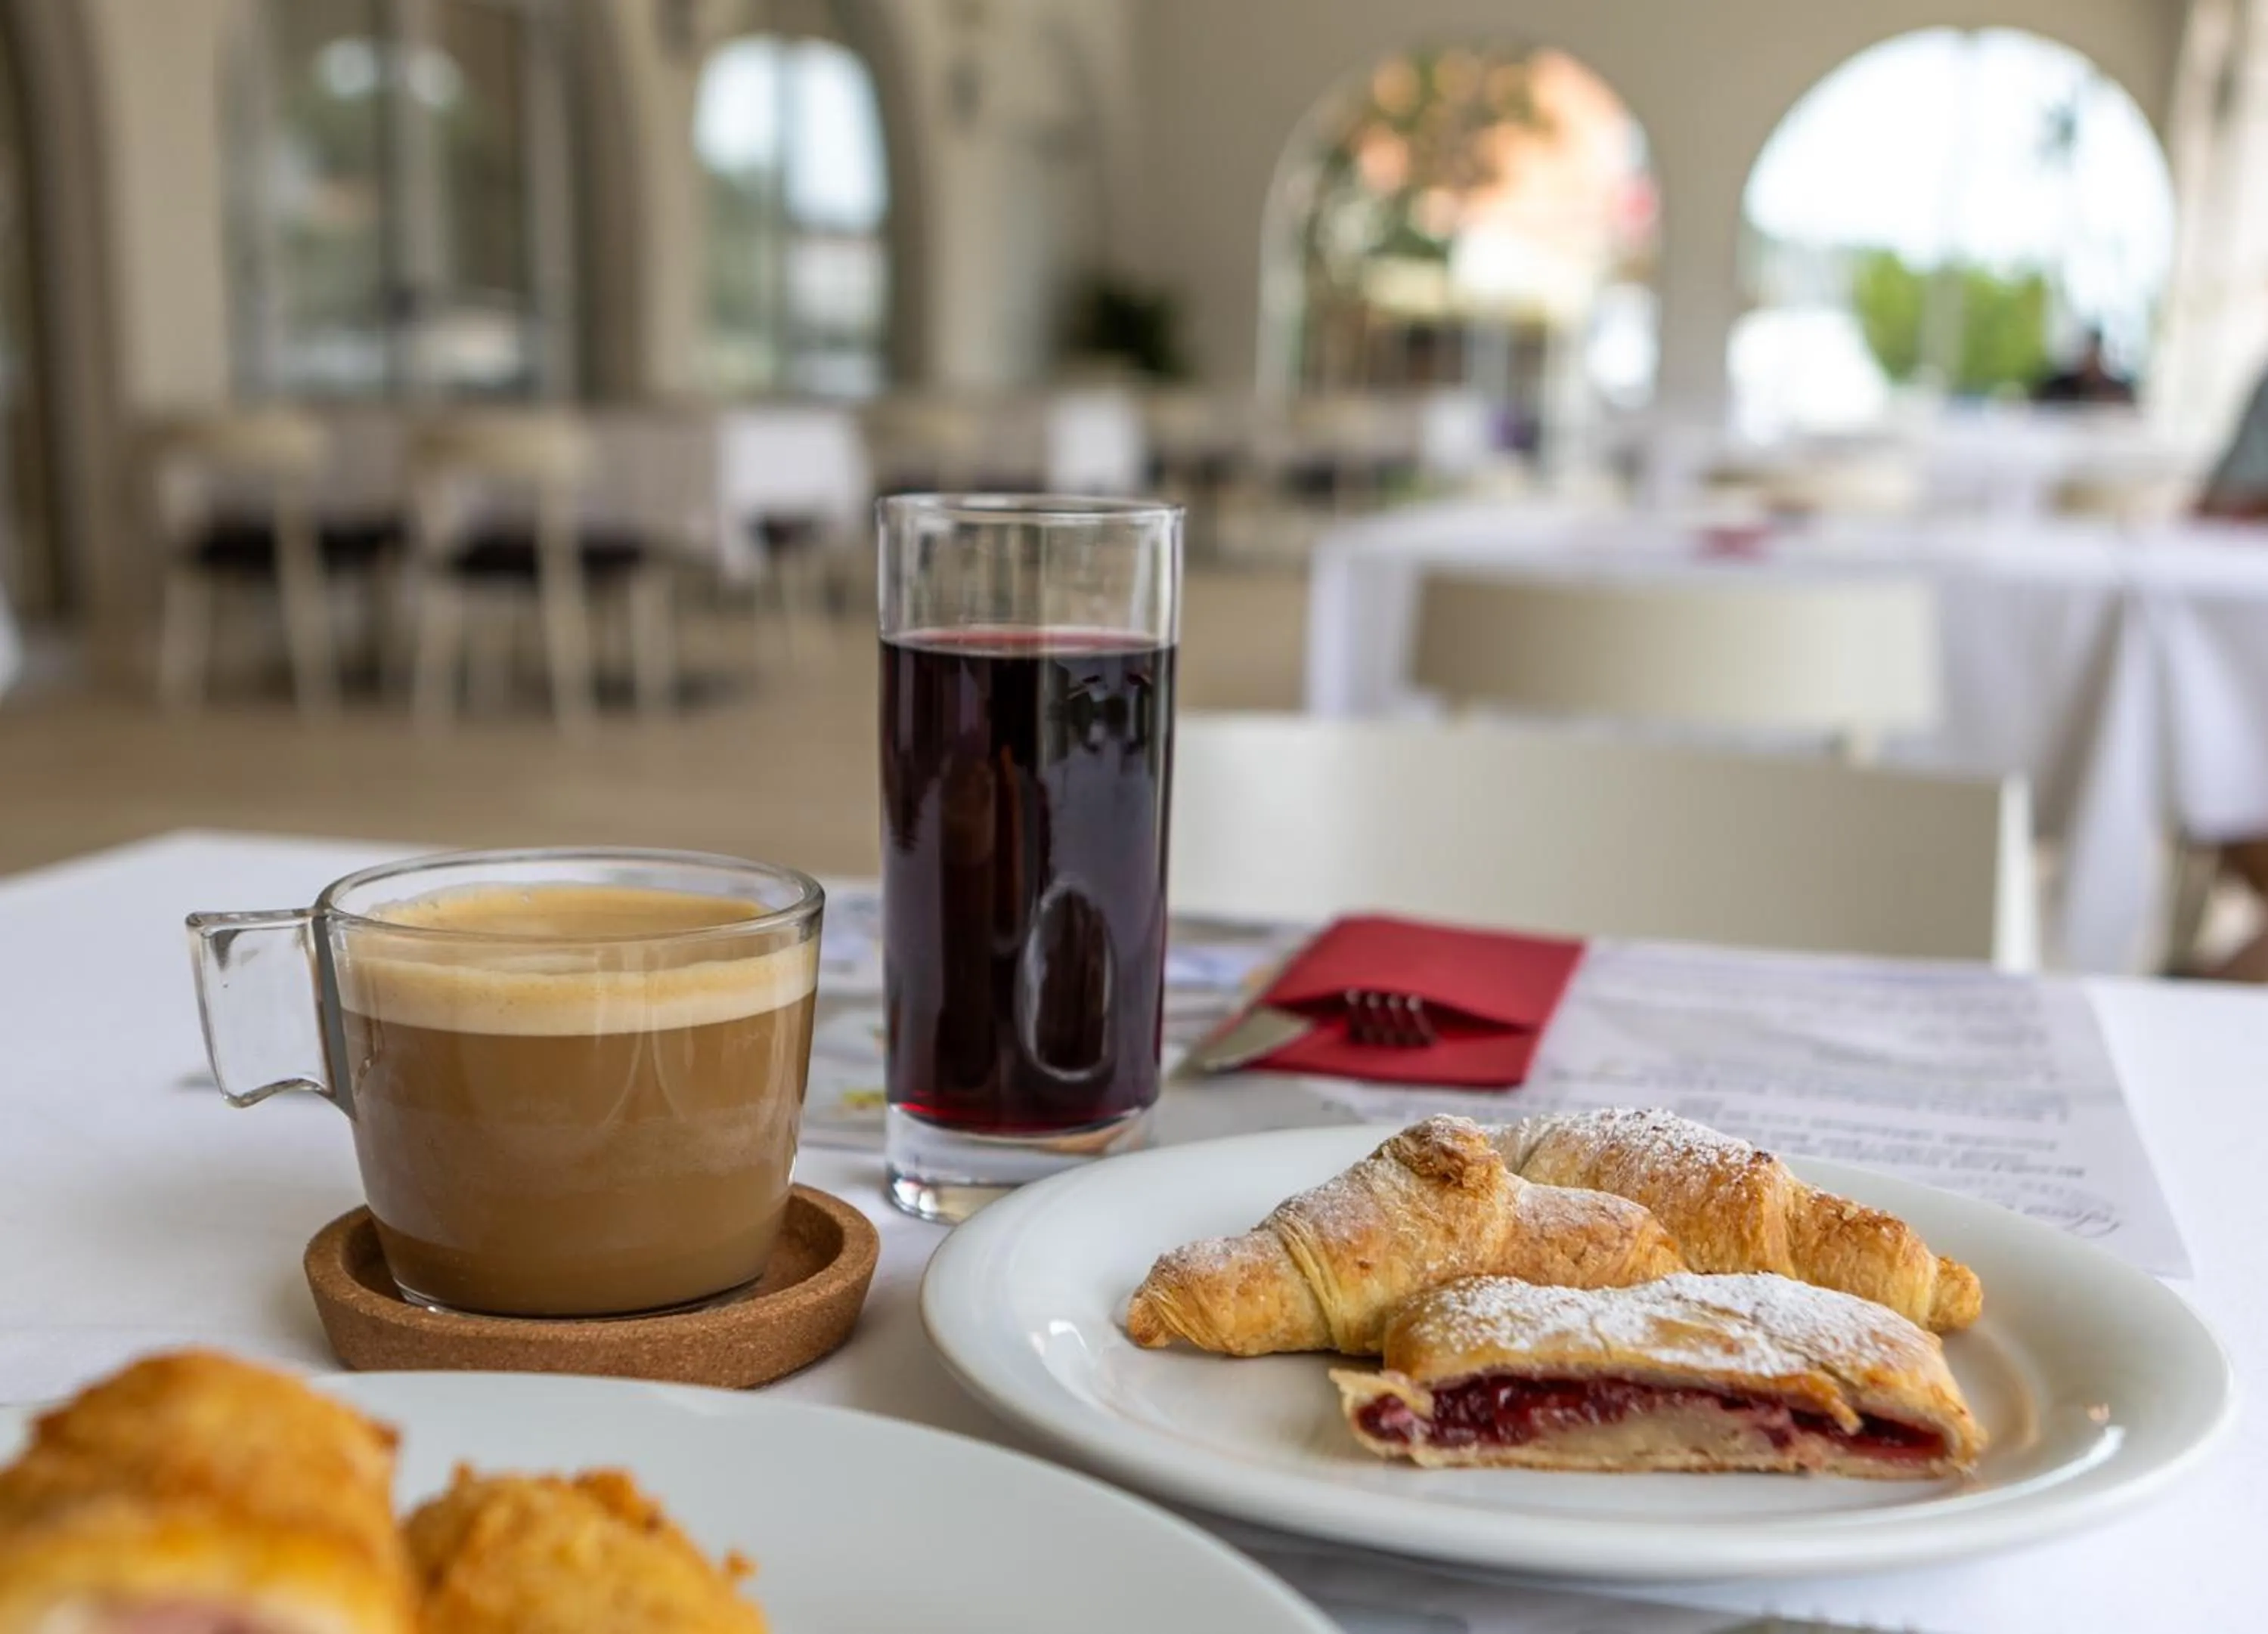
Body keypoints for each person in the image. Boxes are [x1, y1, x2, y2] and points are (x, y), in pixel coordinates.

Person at [2031, 327, 2136, 406]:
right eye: (2087, 351)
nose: (2090, 357)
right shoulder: (2059, 387)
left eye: (2095, 352)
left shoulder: (2118, 390)